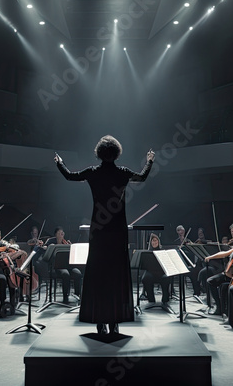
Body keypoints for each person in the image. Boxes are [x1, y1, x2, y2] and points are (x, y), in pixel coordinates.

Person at [55, 135, 154, 335]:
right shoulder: (123, 173)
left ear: (99, 152)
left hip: (99, 229)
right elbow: (142, 177)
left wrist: (60, 163)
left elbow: (69, 176)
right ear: (117, 152)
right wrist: (150, 161)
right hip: (117, 230)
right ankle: (115, 321)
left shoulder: (92, 172)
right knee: (116, 273)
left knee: (98, 272)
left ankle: (99, 320)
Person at [204, 223, 233, 316]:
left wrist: (211, 256)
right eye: (231, 232)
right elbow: (226, 253)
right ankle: (220, 307)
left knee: (211, 281)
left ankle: (221, 308)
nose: (232, 234)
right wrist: (211, 256)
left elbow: (226, 253)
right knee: (210, 281)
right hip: (229, 272)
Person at [44, 226, 82, 304]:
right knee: (65, 274)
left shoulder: (66, 242)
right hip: (57, 266)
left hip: (68, 265)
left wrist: (71, 247)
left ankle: (77, 294)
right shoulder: (51, 241)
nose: (62, 234)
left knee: (78, 273)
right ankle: (65, 296)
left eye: (62, 233)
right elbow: (46, 250)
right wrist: (46, 247)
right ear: (56, 234)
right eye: (59, 233)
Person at [142, 233, 171, 307]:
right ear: (150, 243)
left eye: (156, 241)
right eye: (153, 241)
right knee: (145, 278)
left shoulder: (163, 252)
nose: (154, 243)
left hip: (161, 273)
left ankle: (165, 299)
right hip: (151, 272)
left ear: (158, 242)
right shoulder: (147, 253)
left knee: (166, 278)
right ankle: (151, 299)